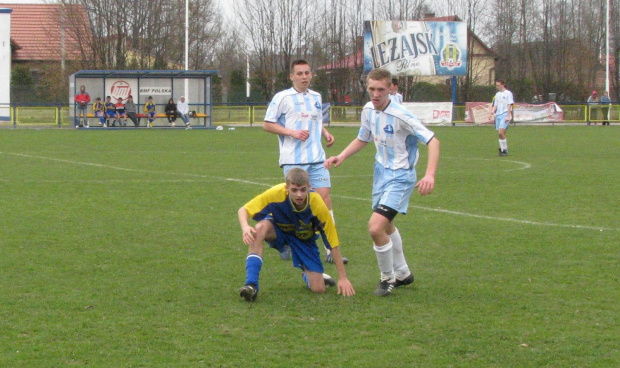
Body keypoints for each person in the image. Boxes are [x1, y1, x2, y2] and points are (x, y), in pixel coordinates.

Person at [324, 68, 440, 297]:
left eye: (381, 90)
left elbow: (433, 141)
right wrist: (342, 156)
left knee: (375, 227)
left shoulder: (401, 115)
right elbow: (363, 137)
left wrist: (430, 175)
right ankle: (404, 273)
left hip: (400, 176)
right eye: (372, 89)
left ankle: (388, 278)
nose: (375, 94)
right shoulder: (368, 110)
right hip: (380, 173)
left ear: (391, 89)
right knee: (386, 225)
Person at [263, 59, 347, 264]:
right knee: (296, 204)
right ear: (291, 76)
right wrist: (291, 132)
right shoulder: (282, 97)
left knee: (325, 200)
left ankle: (330, 249)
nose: (304, 77)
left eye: (307, 73)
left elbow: (316, 121)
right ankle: (283, 242)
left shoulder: (317, 97)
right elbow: (267, 124)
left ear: (311, 75)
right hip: (293, 160)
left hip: (317, 159)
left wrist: (325, 133)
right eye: (299, 73)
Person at [237, 167, 354, 301]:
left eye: (303, 190)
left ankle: (309, 275)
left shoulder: (318, 205)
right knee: (258, 229)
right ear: (287, 188)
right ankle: (251, 285)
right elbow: (243, 210)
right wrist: (245, 227)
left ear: (309, 187)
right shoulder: (275, 194)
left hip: (304, 239)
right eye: (294, 190)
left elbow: (332, 242)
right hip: (279, 230)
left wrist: (343, 278)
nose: (299, 195)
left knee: (319, 289)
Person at [488, 80, 514, 156]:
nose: (497, 87)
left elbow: (509, 104)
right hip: (498, 115)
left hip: (505, 114)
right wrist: (491, 113)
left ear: (503, 85)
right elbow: (495, 105)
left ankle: (504, 150)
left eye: (498, 85)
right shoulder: (497, 94)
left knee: (500, 132)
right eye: (496, 85)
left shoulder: (508, 93)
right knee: (500, 134)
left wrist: (508, 115)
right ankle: (502, 150)